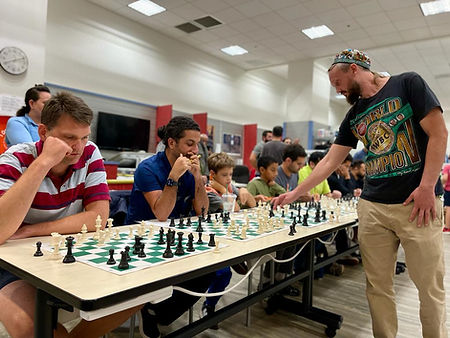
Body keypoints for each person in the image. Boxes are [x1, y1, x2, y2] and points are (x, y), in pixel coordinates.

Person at [273, 48, 447, 337]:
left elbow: (439, 133)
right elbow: (330, 160)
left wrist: (428, 186)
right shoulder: (354, 114)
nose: (337, 90)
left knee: (429, 287)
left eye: (338, 83)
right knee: (378, 287)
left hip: (417, 203)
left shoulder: (407, 84)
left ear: (354, 69)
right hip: (373, 207)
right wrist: (294, 193)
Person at [0, 92, 139, 338]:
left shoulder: (90, 152)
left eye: (84, 137)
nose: (78, 147)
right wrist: (42, 163)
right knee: (28, 327)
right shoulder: (15, 158)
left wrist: (31, 229)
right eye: (69, 138)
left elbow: (98, 217)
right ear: (43, 133)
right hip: (12, 262)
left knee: (135, 294)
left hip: (63, 252)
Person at [125, 116, 213, 338]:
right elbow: (161, 213)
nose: (195, 149)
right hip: (141, 237)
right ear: (172, 143)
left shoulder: (191, 167)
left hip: (175, 235)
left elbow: (202, 211)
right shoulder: (148, 168)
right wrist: (173, 176)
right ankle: (148, 308)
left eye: (197, 143)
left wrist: (197, 178)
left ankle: (156, 312)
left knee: (211, 272)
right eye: (190, 143)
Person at [202, 152, 255, 329]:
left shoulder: (229, 188)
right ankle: (208, 307)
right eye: (224, 175)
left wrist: (244, 189)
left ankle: (236, 259)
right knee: (224, 274)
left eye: (231, 175)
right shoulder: (209, 192)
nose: (228, 179)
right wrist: (229, 192)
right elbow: (236, 208)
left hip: (227, 236)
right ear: (212, 175)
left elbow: (252, 204)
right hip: (210, 240)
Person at [441, 163, 450, 233]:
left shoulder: (447, 167)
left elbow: (445, 178)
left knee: (448, 208)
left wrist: (443, 184)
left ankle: (447, 227)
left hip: (448, 189)